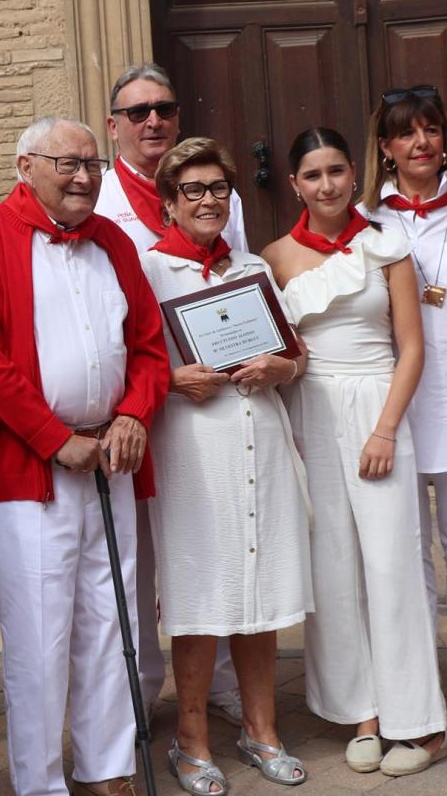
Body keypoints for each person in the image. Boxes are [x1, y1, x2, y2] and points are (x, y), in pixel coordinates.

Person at [0, 116, 171, 796]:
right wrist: (54, 438)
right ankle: (40, 782)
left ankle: (106, 767)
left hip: (111, 459)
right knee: (40, 636)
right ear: (26, 168)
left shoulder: (112, 241)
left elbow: (149, 343)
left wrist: (134, 413)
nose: (83, 177)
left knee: (111, 618)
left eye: (91, 164)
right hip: (34, 471)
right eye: (66, 163)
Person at [261, 127, 447, 778]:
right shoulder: (275, 258)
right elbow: (277, 349)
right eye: (313, 175)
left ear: (354, 174)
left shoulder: (388, 246)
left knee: (392, 563)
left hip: (376, 403)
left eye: (337, 171)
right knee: (333, 566)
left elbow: (412, 347)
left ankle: (418, 721)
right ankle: (362, 713)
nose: (327, 185)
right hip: (310, 411)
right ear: (295, 185)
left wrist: (386, 429)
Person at [138, 138, 311, 794]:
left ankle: (261, 729)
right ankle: (190, 739)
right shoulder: (148, 271)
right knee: (199, 591)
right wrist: (171, 379)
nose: (208, 200)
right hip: (192, 451)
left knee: (260, 587)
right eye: (193, 190)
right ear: (169, 202)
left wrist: (279, 368)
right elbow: (130, 364)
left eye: (218, 189)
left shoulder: (251, 267)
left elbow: (296, 355)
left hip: (259, 436)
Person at [96, 63, 247, 719]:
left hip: (208, 400)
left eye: (164, 108)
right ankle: (140, 690)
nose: (152, 120)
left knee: (210, 539)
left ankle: (220, 682)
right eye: (138, 112)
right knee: (138, 556)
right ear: (114, 127)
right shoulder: (98, 202)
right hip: (135, 404)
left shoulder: (218, 195)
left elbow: (233, 287)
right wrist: (159, 380)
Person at [360, 86, 447, 743]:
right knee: (404, 548)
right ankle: (414, 679)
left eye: (431, 129)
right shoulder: (366, 219)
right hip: (390, 404)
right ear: (385, 148)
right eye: (405, 133)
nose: (421, 143)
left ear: (446, 138)